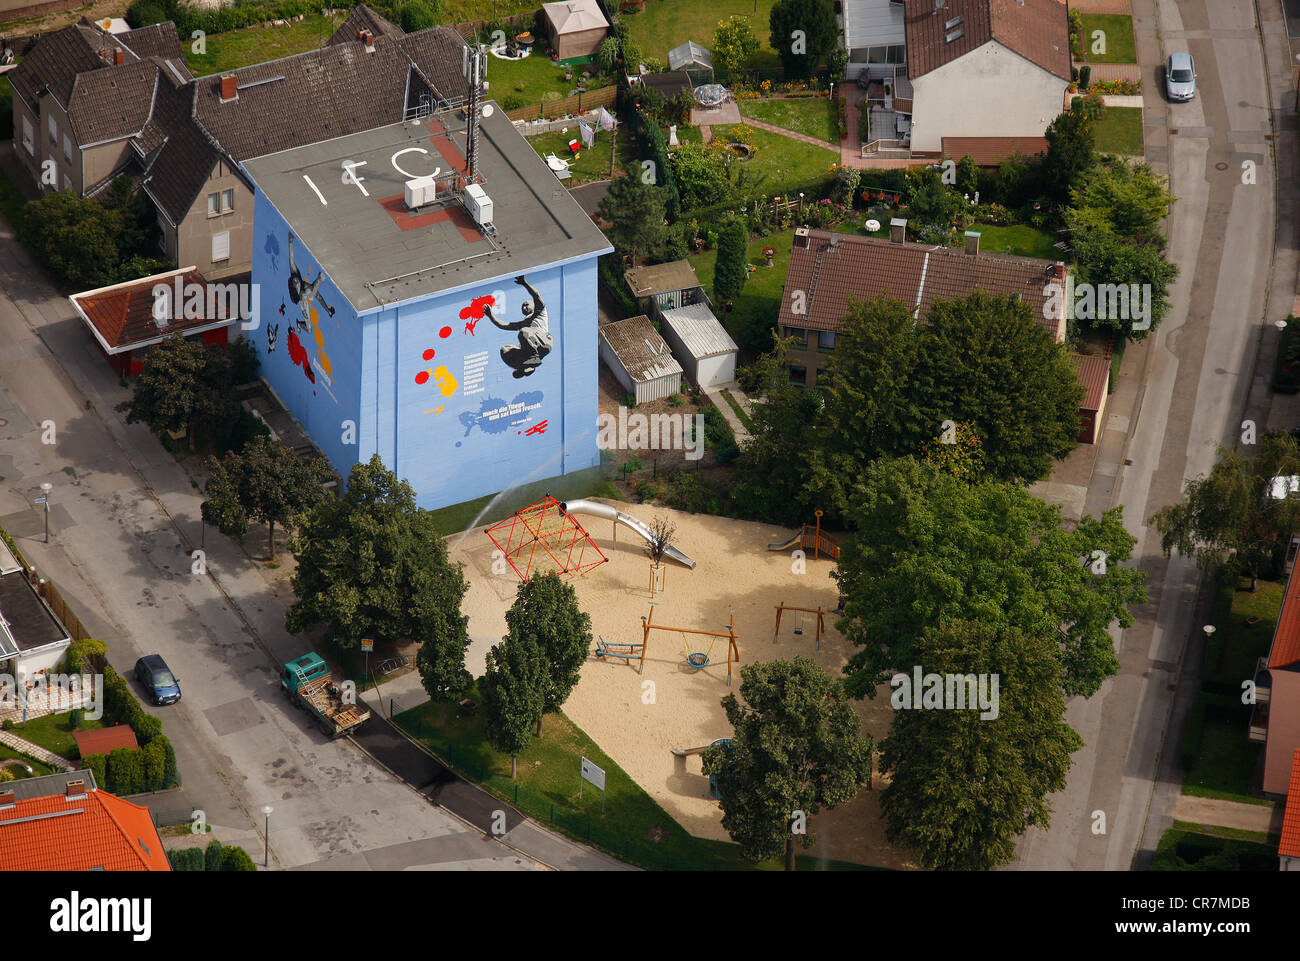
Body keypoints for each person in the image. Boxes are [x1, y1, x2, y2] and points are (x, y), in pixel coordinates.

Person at [484, 275, 552, 378]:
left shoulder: (540, 311)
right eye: (522, 307)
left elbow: (536, 295)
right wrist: (490, 315)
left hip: (544, 342)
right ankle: (523, 367)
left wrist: (524, 283)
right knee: (505, 349)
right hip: (534, 347)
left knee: (524, 332)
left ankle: (533, 358)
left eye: (526, 305)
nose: (524, 307)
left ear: (533, 305)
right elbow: (503, 325)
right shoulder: (523, 323)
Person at [287, 232, 335, 332]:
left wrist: (290, 242)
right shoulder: (299, 296)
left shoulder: (294, 275)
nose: (297, 282)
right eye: (296, 283)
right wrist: (318, 280)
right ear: (295, 287)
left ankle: (328, 311)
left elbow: (291, 259)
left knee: (317, 295)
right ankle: (300, 324)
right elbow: (308, 298)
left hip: (305, 289)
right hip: (302, 299)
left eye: (297, 281)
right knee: (309, 329)